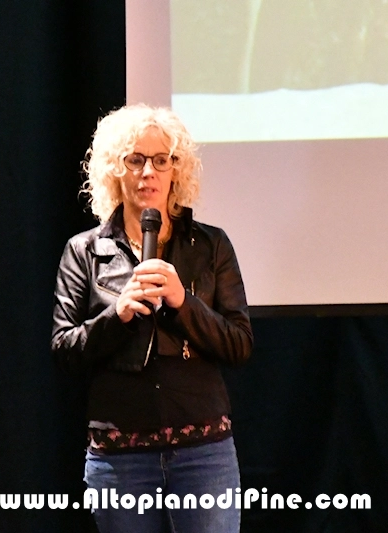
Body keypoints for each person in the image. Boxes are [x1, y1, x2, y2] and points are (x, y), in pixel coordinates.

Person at [50, 104, 253, 533]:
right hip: (120, 460)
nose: (148, 173)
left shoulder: (211, 245)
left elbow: (239, 344)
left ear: (177, 170)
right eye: (135, 159)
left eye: (162, 160)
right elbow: (64, 350)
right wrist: (117, 315)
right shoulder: (84, 252)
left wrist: (183, 302)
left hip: (203, 456)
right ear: (114, 169)